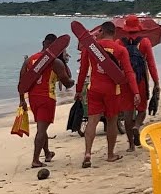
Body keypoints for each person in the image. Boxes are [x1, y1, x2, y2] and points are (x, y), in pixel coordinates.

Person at [76, 21, 138, 168]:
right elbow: (129, 72)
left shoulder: (90, 49)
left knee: (92, 121)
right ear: (114, 33)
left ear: (102, 31)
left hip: (94, 89)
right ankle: (110, 155)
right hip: (112, 90)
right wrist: (135, 91)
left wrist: (78, 90)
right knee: (112, 121)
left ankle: (87, 153)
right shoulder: (120, 50)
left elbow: (83, 71)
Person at [19, 34, 75, 168]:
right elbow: (67, 82)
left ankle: (48, 153)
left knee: (41, 127)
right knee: (41, 129)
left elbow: (22, 82)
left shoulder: (29, 60)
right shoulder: (55, 62)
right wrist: (72, 81)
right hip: (47, 97)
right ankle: (36, 160)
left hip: (33, 99)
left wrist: (22, 101)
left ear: (44, 43)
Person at [119, 15, 160, 144]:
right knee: (141, 109)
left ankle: (131, 144)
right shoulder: (145, 42)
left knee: (127, 112)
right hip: (141, 79)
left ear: (125, 28)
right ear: (139, 28)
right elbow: (151, 64)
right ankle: (137, 126)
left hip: (125, 81)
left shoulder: (119, 43)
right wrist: (156, 82)